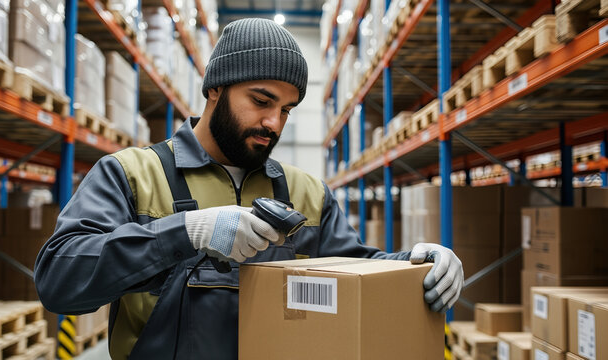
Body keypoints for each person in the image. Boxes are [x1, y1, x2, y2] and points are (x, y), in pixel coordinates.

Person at [34, 18, 463, 359]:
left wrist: (417, 263)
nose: (274, 123)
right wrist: (185, 232)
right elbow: (59, 279)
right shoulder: (132, 174)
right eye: (261, 101)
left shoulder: (306, 193)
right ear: (215, 89)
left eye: (286, 109)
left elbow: (355, 268)